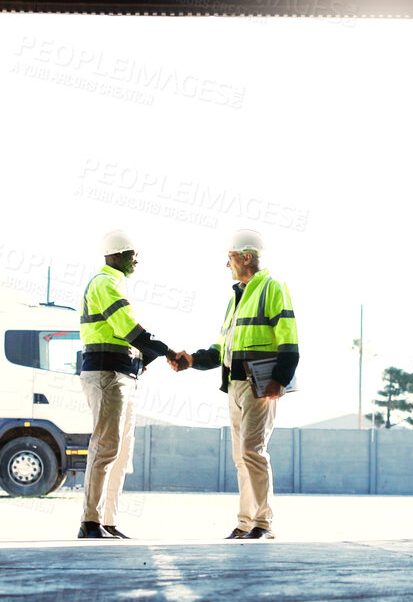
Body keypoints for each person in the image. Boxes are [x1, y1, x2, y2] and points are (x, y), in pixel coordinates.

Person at [180, 229, 298, 540]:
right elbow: (222, 349)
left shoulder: (272, 288)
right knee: (241, 456)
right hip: (234, 385)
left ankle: (263, 523)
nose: (227, 265)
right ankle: (246, 522)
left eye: (230, 258)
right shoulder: (237, 298)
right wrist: (192, 359)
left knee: (252, 451)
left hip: (260, 384)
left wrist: (280, 379)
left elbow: (288, 337)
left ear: (245, 257)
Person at [76, 229, 187, 540]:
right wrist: (167, 352)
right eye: (131, 254)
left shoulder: (114, 283)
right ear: (115, 256)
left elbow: (128, 339)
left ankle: (107, 521)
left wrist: (145, 360)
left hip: (122, 373)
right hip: (107, 374)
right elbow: (128, 329)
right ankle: (90, 521)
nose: (136, 260)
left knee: (120, 453)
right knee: (106, 446)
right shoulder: (105, 283)